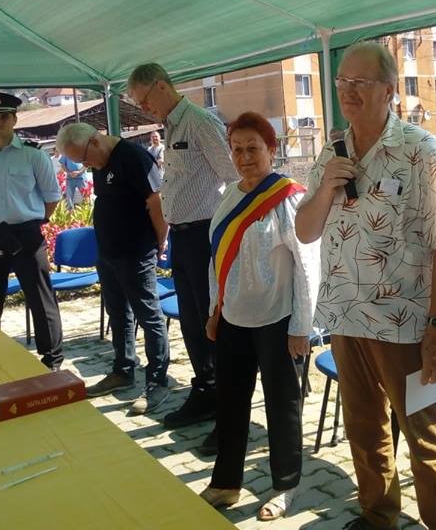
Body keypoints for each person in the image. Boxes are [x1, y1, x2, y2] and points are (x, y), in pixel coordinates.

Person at [295, 41, 436, 530]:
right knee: (364, 430)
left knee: (424, 438)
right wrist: (326, 186)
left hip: (404, 326)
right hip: (346, 318)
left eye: (360, 83)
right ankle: (378, 516)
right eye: (342, 83)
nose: (348, 91)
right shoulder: (331, 151)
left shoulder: (418, 149)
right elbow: (305, 231)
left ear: (389, 90)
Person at [198, 112, 318, 521]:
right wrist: (215, 310)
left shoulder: (288, 199)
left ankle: (285, 485)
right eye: (237, 149)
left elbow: (307, 266)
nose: (245, 157)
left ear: (271, 149)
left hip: (277, 320)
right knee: (230, 401)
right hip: (233, 318)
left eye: (253, 148)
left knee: (281, 405)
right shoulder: (228, 196)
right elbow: (217, 261)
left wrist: (301, 326)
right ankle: (226, 482)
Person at [127, 63, 239, 454]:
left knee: (214, 324)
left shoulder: (200, 122)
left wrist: (227, 231)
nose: (144, 109)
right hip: (182, 237)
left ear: (162, 86)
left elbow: (234, 177)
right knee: (192, 323)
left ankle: (229, 413)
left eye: (145, 100)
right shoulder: (173, 126)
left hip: (206, 235)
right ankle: (205, 391)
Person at [56, 123, 172, 416]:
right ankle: (123, 370)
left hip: (136, 251)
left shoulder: (133, 157)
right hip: (108, 252)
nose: (86, 166)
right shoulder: (99, 159)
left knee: (148, 316)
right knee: (117, 313)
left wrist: (160, 241)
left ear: (95, 141)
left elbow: (156, 201)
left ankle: (157, 381)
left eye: (85, 159)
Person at [0, 92, 64, 370]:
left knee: (40, 298)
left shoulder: (33, 155)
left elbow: (51, 197)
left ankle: (51, 360)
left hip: (25, 236)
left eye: (3, 117)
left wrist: (34, 223)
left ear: (14, 119)